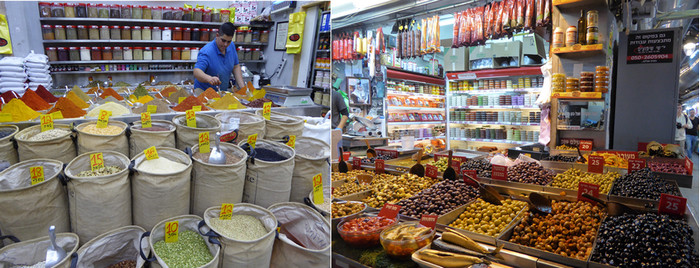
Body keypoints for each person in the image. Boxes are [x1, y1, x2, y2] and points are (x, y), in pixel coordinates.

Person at [193, 22, 246, 92]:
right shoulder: (207, 51)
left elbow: (235, 66)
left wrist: (243, 88)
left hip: (220, 92)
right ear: (217, 35)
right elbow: (197, 71)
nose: (225, 44)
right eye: (223, 40)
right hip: (204, 93)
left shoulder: (231, 46)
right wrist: (209, 78)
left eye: (229, 41)